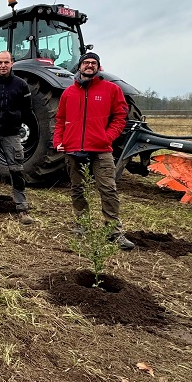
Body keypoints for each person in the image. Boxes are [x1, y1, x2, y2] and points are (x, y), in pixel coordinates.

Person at [52, 51, 135, 250]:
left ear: (98, 67)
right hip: (73, 149)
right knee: (77, 189)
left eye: (93, 63)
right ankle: (82, 224)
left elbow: (119, 117)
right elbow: (60, 120)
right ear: (79, 67)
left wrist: (106, 137)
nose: (89, 66)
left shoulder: (111, 90)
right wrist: (58, 141)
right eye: (86, 63)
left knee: (108, 189)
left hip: (100, 150)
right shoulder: (68, 93)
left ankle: (113, 231)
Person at [0, 50, 34, 222]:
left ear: (12, 63)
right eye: (0, 63)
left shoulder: (21, 85)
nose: (3, 66)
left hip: (11, 134)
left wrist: (16, 124)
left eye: (6, 62)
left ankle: (22, 207)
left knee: (16, 169)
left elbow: (27, 110)